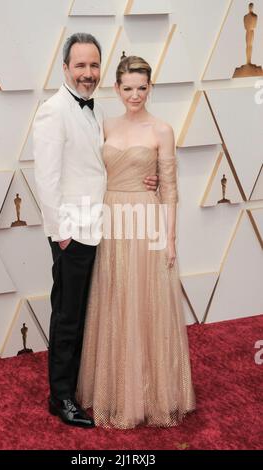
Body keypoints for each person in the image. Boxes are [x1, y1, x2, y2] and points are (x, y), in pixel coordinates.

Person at [33, 34, 157, 428]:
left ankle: (77, 385)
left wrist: (145, 178)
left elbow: (105, 164)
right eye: (80, 66)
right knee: (67, 314)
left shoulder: (96, 109)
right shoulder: (54, 110)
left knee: (90, 313)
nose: (88, 74)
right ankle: (61, 397)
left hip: (103, 226)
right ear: (65, 68)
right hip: (73, 232)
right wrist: (61, 233)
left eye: (93, 66)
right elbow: (47, 179)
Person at [77, 55, 196, 429]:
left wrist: (171, 238)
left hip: (146, 221)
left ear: (150, 87)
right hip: (112, 218)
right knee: (115, 302)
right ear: (116, 88)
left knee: (146, 305)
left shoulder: (162, 129)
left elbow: (171, 189)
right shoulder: (104, 124)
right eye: (127, 88)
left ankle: (151, 394)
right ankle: (115, 391)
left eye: (141, 88)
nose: (135, 95)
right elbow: (89, 171)